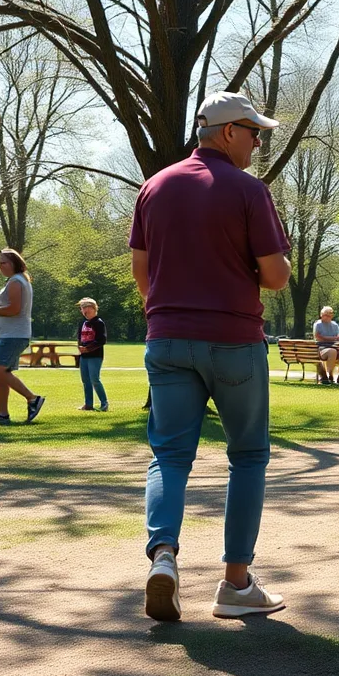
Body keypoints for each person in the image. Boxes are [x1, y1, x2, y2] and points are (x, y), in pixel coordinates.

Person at [130, 91, 292, 622]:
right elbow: (274, 276)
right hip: (235, 340)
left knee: (170, 455)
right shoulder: (249, 190)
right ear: (227, 132)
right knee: (247, 456)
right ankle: (236, 584)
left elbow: (142, 272)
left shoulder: (154, 187)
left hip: (167, 338)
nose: (258, 142)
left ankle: (164, 557)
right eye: (254, 133)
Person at [0, 249, 44, 423]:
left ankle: (33, 399)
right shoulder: (16, 280)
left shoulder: (16, 282)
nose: (0, 266)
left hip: (14, 335)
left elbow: (14, 309)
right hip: (10, 334)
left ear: (13, 264)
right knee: (2, 373)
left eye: (3, 262)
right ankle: (3, 414)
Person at [76, 297, 109, 412]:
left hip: (95, 356)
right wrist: (80, 347)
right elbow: (80, 338)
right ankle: (88, 404)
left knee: (95, 379)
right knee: (86, 380)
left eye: (86, 308)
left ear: (94, 308)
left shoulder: (99, 323)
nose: (84, 311)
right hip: (84, 357)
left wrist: (88, 348)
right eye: (82, 309)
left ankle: (104, 403)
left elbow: (102, 340)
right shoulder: (83, 323)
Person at [313, 306, 339, 384]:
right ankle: (329, 375)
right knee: (332, 351)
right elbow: (318, 337)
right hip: (322, 348)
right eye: (326, 314)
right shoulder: (318, 324)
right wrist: (334, 338)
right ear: (321, 315)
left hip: (334, 347)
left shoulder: (334, 325)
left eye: (330, 314)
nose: (328, 316)